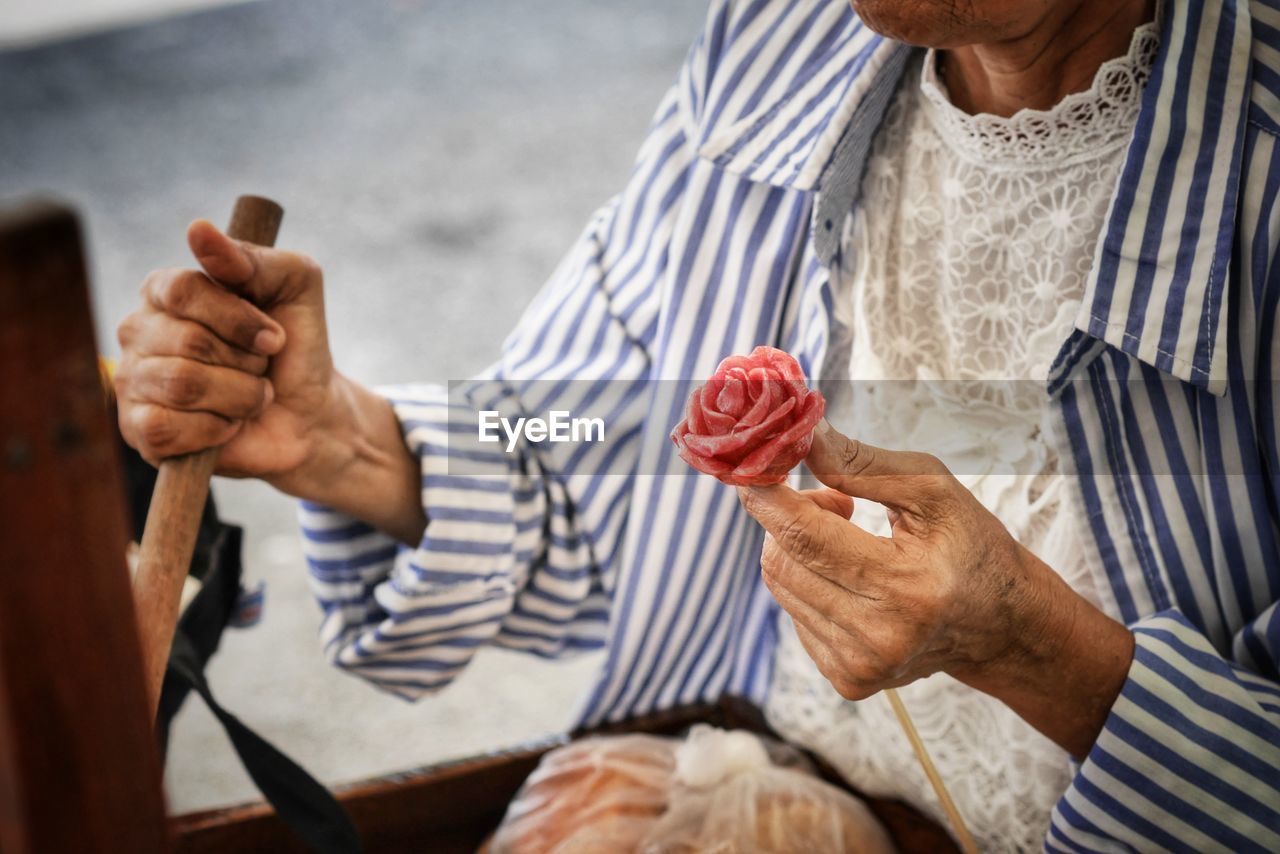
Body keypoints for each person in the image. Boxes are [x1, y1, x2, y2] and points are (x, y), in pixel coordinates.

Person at [114, 0, 1280, 848]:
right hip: (778, 792)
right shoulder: (785, 39)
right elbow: (582, 439)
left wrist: (1029, 647)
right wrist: (343, 437)